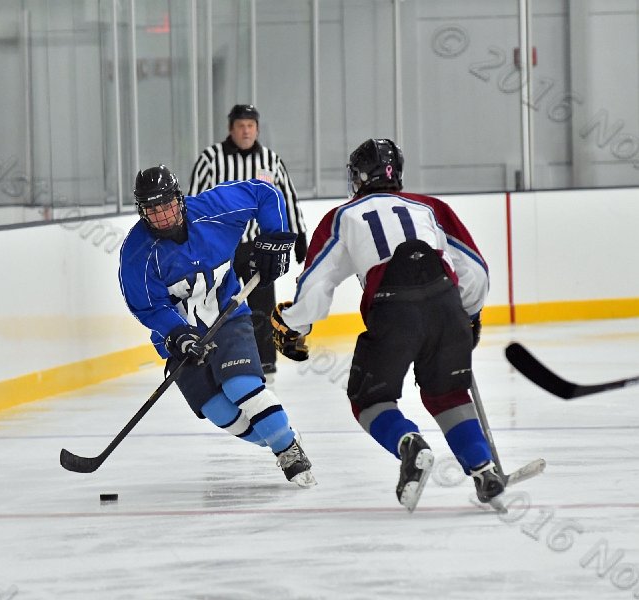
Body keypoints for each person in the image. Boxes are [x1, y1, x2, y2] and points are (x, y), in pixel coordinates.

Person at [270, 138, 505, 511]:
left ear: (359, 177)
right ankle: (484, 470)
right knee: (448, 395)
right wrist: (468, 315)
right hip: (446, 304)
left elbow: (315, 289)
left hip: (393, 310)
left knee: (369, 400)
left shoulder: (343, 216)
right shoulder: (431, 207)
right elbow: (475, 272)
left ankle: (410, 445)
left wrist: (293, 324)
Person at [119, 164, 315, 487]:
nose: (163, 217)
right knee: (218, 411)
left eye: (166, 205)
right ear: (142, 213)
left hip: (228, 314)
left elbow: (265, 193)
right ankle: (278, 435)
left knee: (241, 386)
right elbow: (147, 307)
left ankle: (288, 450)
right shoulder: (137, 254)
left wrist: (275, 239)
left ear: (179, 199)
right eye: (153, 211)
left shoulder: (213, 209)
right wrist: (177, 334)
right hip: (180, 337)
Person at [188, 104, 307, 377]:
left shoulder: (270, 160)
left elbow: (286, 197)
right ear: (231, 129)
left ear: (257, 129)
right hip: (222, 247)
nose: (246, 130)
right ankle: (218, 357)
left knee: (262, 304)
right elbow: (194, 200)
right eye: (240, 125)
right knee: (217, 300)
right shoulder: (211, 159)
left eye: (250, 125)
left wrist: (299, 234)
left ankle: (265, 361)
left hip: (259, 245)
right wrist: (196, 239)